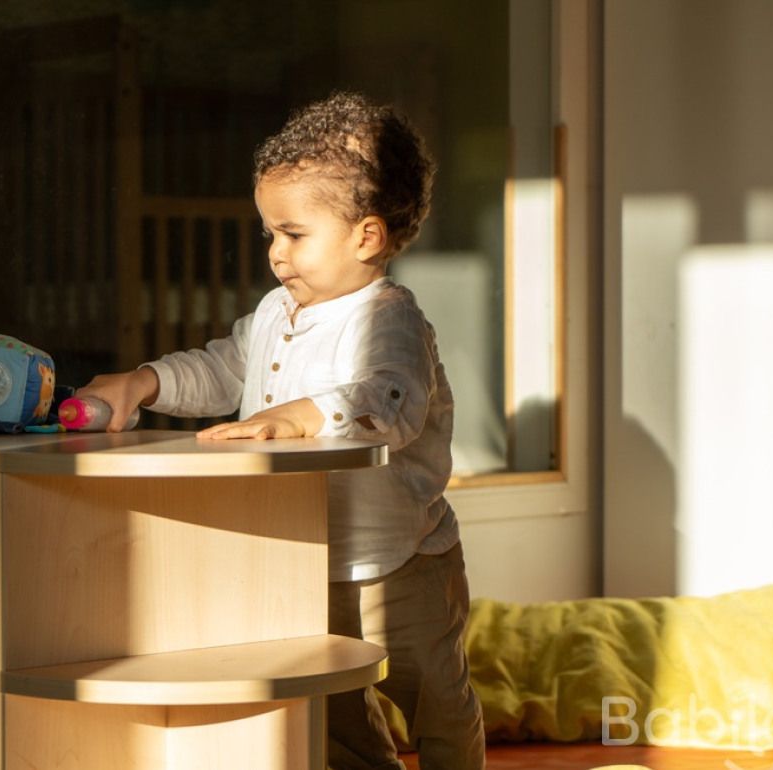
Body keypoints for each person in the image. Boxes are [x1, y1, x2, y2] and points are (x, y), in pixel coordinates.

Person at [75, 91, 485, 770]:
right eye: (270, 233)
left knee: (432, 697)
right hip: (298, 561)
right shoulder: (277, 309)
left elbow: (391, 401)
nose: (275, 252)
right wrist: (143, 382)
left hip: (399, 564)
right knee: (334, 711)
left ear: (367, 236)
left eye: (293, 234)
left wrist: (300, 416)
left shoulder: (387, 319)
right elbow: (223, 367)